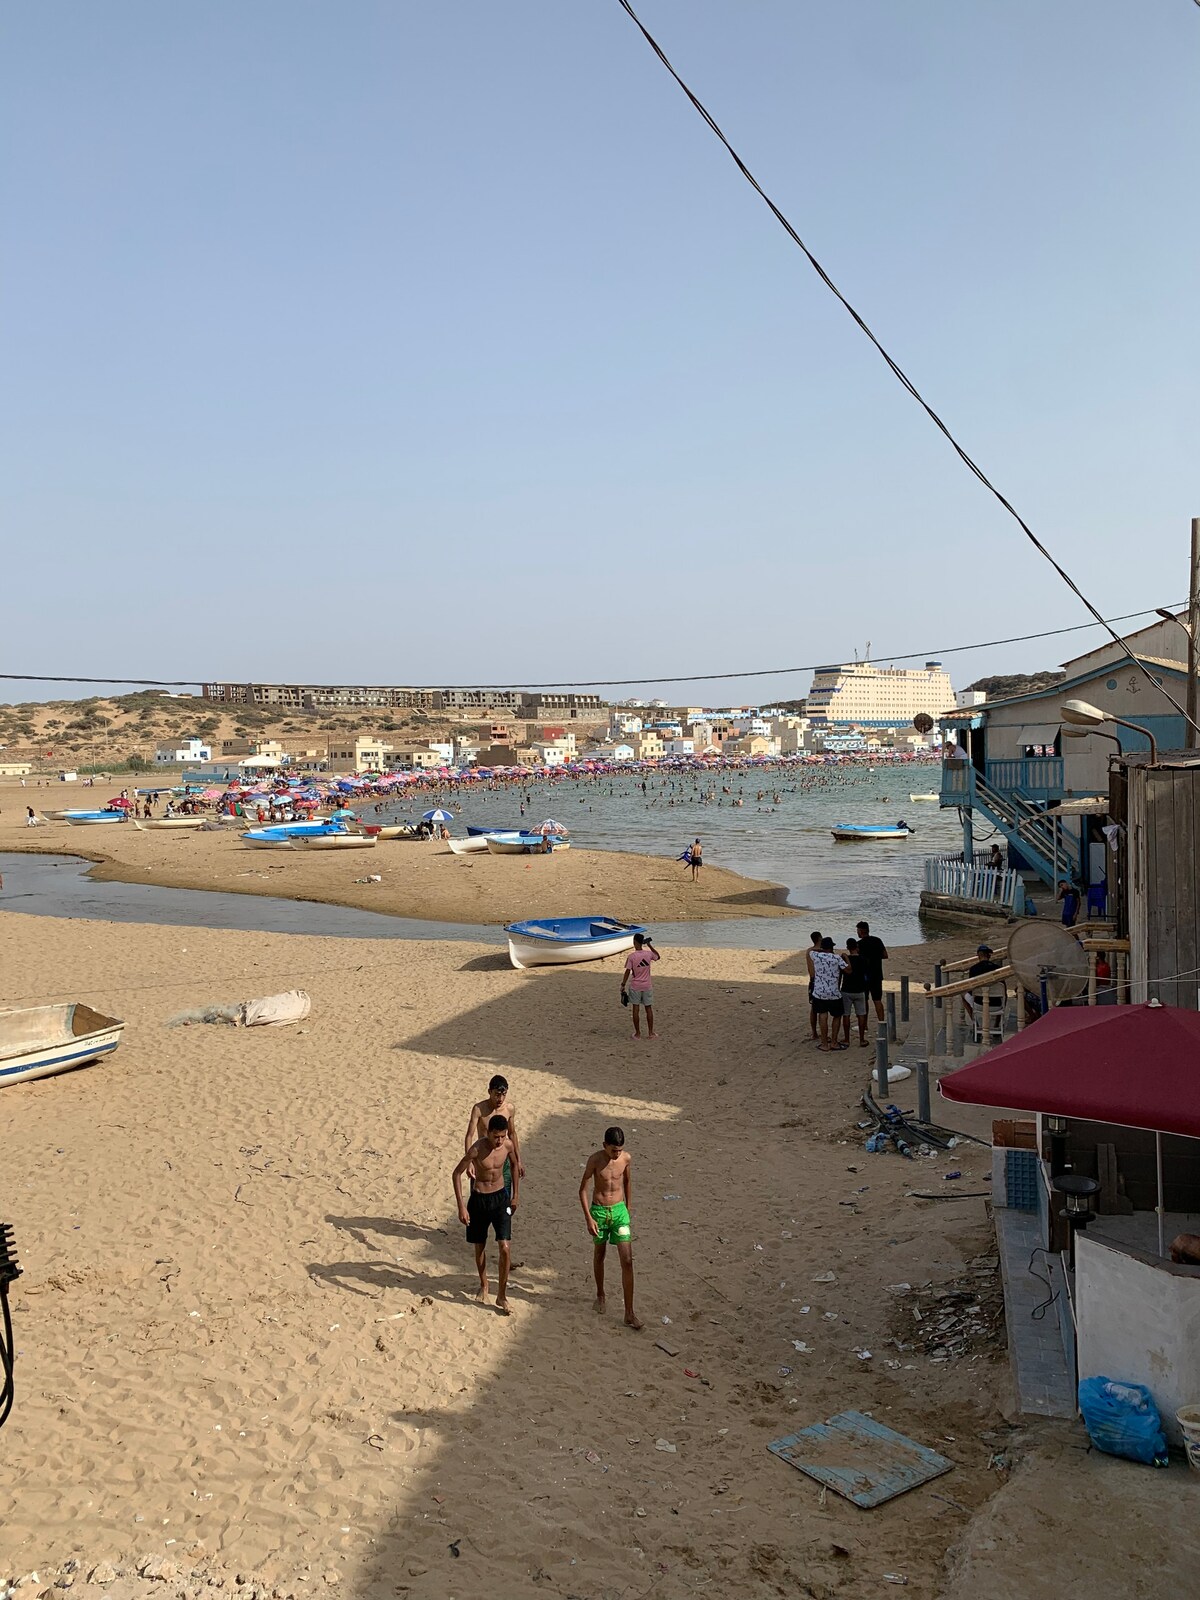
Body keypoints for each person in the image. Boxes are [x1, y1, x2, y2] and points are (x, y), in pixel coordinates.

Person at [452, 1114, 518, 1315]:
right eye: (496, 1136)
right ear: (488, 1132)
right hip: (479, 1200)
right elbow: (456, 1174)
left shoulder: (507, 1146)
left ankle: (502, 1295)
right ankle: (484, 1284)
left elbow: (515, 1165)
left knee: (505, 1247)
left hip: (501, 1199)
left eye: (502, 1136)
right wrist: (461, 1207)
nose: (499, 1141)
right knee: (479, 1245)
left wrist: (516, 1195)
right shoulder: (477, 1148)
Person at [579, 1125, 642, 1329]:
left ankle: (629, 1313)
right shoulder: (595, 1160)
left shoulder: (626, 1159)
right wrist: (589, 1218)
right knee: (600, 1254)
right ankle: (600, 1293)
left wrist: (628, 1207)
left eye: (620, 1150)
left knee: (627, 1260)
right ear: (604, 1145)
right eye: (613, 1150)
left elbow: (628, 1181)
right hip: (599, 1211)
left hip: (619, 1212)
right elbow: (583, 1189)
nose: (616, 1154)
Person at [465, 1074, 524, 1182]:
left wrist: (518, 1160)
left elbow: (512, 1134)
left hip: (502, 1157)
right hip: (483, 1157)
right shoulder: (479, 1109)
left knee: (504, 1194)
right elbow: (469, 1135)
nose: (500, 1099)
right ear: (489, 1092)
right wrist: (469, 1162)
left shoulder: (509, 1109)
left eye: (503, 1095)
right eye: (497, 1095)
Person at [811, 937, 848, 1052]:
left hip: (819, 992)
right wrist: (845, 957)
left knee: (822, 1015)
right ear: (832, 947)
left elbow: (812, 950)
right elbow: (848, 970)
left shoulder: (815, 955)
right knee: (837, 1016)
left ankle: (824, 1043)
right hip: (834, 992)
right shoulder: (837, 958)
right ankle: (834, 1042)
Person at [621, 933, 660, 1039]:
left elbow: (627, 972)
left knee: (635, 1009)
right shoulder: (648, 954)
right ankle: (651, 1033)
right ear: (642, 942)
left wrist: (623, 985)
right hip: (647, 986)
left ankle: (638, 1034)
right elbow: (657, 956)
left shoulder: (632, 957)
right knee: (648, 1009)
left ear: (634, 942)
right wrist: (650, 945)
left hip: (635, 986)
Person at [855, 921, 889, 1022]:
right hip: (877, 974)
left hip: (864, 976)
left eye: (857, 930)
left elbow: (857, 959)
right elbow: (885, 955)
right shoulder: (877, 940)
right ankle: (882, 1021)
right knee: (877, 1000)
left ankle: (864, 1025)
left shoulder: (859, 944)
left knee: (864, 1000)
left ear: (861, 931)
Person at [840, 936, 869, 1047]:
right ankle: (862, 1039)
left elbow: (841, 974)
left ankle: (847, 1039)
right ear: (857, 946)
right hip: (860, 989)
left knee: (846, 1014)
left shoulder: (845, 960)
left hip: (847, 989)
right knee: (861, 1014)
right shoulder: (863, 959)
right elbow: (866, 974)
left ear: (848, 947)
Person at [805, 930, 823, 1042]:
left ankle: (814, 1032)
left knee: (814, 1007)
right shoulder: (820, 951)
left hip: (812, 980)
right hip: (818, 980)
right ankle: (818, 1032)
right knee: (820, 1008)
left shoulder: (809, 951)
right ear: (819, 938)